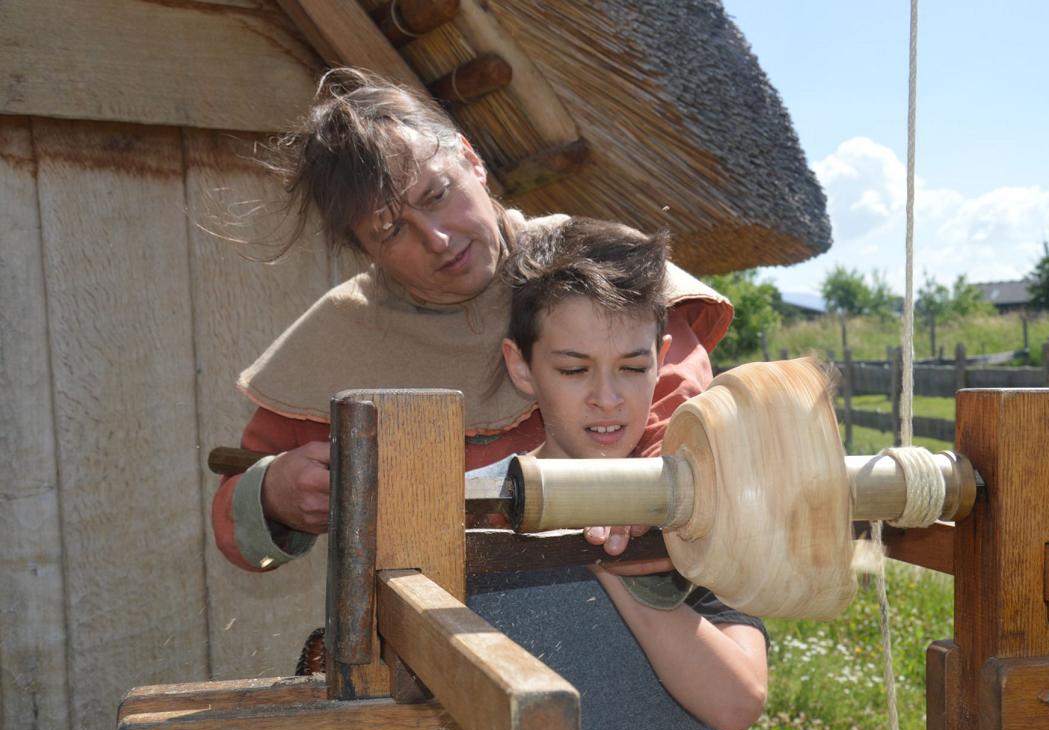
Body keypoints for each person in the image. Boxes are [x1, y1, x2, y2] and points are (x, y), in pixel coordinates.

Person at [211, 67, 733, 574]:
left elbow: (683, 422)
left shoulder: (597, 267)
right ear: (362, 248)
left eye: (437, 195)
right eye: (390, 230)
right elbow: (235, 520)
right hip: (433, 628)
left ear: (470, 159)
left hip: (634, 599)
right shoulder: (339, 338)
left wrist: (641, 496)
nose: (437, 239)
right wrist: (275, 493)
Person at [462, 216, 767, 730]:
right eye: (575, 370)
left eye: (632, 367)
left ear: (662, 359)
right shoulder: (468, 511)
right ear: (522, 366)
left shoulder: (698, 511)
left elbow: (737, 703)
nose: (608, 398)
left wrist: (615, 563)